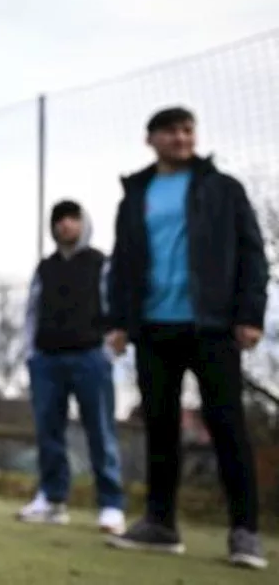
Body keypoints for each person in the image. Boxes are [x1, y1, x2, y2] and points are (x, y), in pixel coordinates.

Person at [103, 106, 268, 570]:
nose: (182, 138)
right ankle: (160, 525)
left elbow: (253, 255)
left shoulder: (223, 189)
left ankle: (244, 532)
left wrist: (250, 314)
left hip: (212, 325)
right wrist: (118, 321)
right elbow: (123, 264)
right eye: (172, 132)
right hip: (154, 326)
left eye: (188, 130)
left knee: (227, 426)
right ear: (151, 138)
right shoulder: (136, 196)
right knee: (159, 427)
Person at [15, 199, 125, 534]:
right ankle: (52, 499)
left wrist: (108, 349)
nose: (65, 225)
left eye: (72, 218)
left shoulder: (99, 263)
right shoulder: (45, 268)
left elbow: (114, 303)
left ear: (83, 223)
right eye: (59, 219)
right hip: (46, 360)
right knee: (48, 431)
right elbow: (32, 310)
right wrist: (30, 352)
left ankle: (110, 505)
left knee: (100, 432)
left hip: (90, 357)